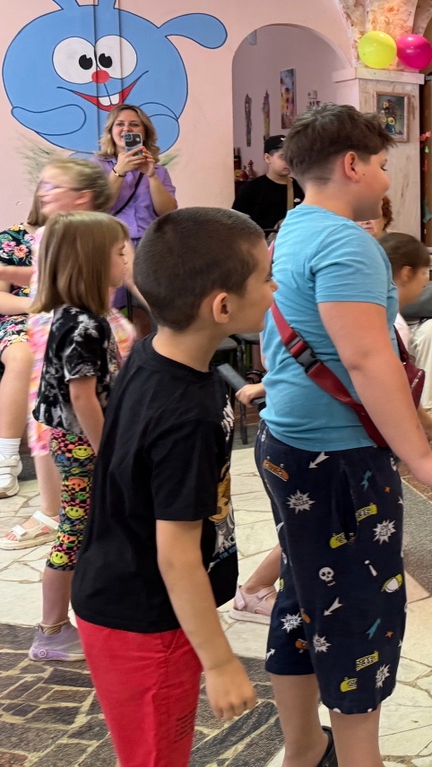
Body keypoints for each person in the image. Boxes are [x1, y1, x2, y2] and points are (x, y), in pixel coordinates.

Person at [259, 104, 432, 766]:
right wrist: (420, 455)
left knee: (303, 594)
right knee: (357, 616)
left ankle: (302, 750)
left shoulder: (291, 229)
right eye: (378, 164)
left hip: (288, 442)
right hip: (338, 456)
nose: (383, 177)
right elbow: (368, 358)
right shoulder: (349, 244)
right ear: (351, 164)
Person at [72, 208, 271, 764]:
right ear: (222, 307)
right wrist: (221, 661)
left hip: (145, 604)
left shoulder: (157, 353)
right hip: (146, 620)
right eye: (266, 278)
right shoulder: (186, 416)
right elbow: (176, 553)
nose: (274, 288)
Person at [0, 158, 124, 552]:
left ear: (82, 198)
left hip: (73, 337)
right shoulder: (48, 235)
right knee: (47, 423)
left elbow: (120, 277)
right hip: (51, 336)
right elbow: (43, 276)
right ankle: (59, 508)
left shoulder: (93, 236)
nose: (42, 192)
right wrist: (11, 274)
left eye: (52, 186)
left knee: (64, 420)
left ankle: (66, 510)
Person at [28, 211, 131, 661]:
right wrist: (109, 452)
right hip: (82, 445)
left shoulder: (81, 316)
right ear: (93, 261)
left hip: (79, 442)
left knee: (90, 527)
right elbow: (82, 396)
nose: (126, 261)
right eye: (119, 253)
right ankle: (51, 630)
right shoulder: (84, 324)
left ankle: (91, 614)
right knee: (74, 529)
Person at [381, 233, 432, 429]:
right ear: (407, 274)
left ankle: (426, 404)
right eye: (423, 273)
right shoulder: (392, 324)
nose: (427, 281)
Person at [0, 192, 39, 499]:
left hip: (71, 317)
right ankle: (7, 458)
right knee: (22, 355)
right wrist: (38, 305)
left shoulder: (84, 239)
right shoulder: (10, 239)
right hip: (19, 318)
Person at [95, 104, 178, 243]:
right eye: (120, 124)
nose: (127, 129)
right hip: (112, 242)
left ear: (145, 133)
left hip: (152, 243)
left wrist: (152, 176)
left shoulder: (159, 171)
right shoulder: (96, 166)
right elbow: (99, 208)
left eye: (134, 124)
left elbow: (168, 212)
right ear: (110, 131)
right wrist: (119, 171)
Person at [232, 134, 305, 233]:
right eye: (283, 157)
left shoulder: (300, 187)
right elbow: (235, 225)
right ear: (267, 158)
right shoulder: (251, 189)